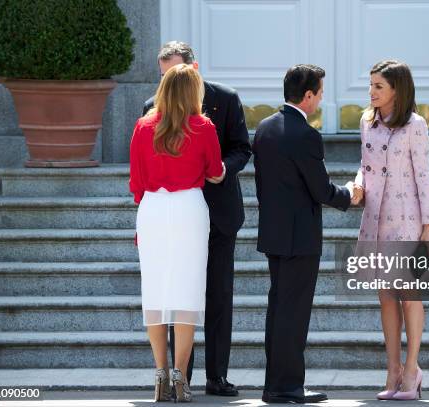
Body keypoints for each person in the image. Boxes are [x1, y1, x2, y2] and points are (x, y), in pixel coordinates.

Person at [143, 41, 251, 397]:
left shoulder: (226, 98)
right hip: (174, 218)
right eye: (163, 75)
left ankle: (217, 376)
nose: (167, 82)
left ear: (195, 67)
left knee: (218, 295)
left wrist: (222, 172)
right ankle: (179, 375)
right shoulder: (151, 109)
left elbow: (242, 148)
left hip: (217, 211)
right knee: (175, 294)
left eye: (174, 72)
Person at [253, 64, 359, 404]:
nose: (322, 99)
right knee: (293, 314)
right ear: (309, 95)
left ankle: (275, 385)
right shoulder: (306, 135)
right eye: (321, 93)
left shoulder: (265, 128)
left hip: (273, 232)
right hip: (300, 238)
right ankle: (287, 387)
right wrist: (350, 194)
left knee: (278, 309)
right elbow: (320, 189)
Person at [130, 64, 225, 402]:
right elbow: (216, 173)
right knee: (187, 292)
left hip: (153, 208)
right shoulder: (203, 126)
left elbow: (136, 182)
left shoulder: (143, 126)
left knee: (155, 292)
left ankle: (159, 374)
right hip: (188, 208)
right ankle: (180, 376)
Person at [352, 60, 429, 400]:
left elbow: (424, 174)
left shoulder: (415, 125)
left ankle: (412, 370)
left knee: (409, 297)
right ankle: (392, 371)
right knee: (386, 298)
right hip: (376, 220)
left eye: (379, 86)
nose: (372, 92)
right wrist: (358, 185)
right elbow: (365, 165)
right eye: (371, 85)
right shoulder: (366, 121)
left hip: (408, 220)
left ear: (396, 90)